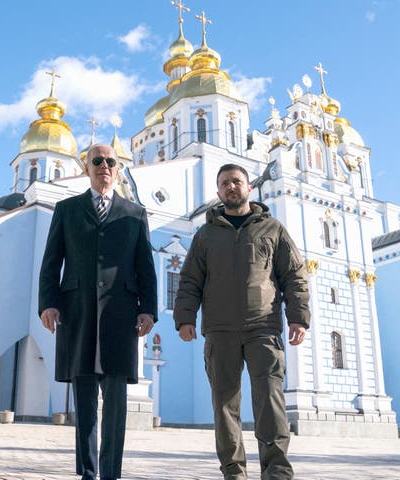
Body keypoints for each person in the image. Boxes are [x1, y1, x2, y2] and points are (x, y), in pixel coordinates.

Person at [173, 163, 310, 480]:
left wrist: (298, 317)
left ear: (249, 188)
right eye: (224, 184)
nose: (231, 187)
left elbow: (294, 276)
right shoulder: (205, 235)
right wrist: (184, 318)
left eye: (236, 181)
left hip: (263, 327)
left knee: (271, 403)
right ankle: (233, 471)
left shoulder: (273, 229)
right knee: (225, 405)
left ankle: (276, 470)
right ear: (218, 192)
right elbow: (190, 280)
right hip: (220, 331)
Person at [39, 144, 158, 480]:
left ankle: (110, 473)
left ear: (117, 169)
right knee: (86, 399)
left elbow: (145, 266)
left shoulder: (135, 213)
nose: (104, 166)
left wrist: (148, 309)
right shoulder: (67, 210)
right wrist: (48, 303)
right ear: (86, 167)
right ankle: (88, 472)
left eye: (111, 162)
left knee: (116, 402)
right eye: (97, 161)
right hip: (77, 313)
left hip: (121, 315)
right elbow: (51, 263)